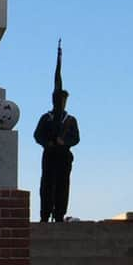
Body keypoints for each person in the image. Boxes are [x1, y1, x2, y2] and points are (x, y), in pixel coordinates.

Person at [34, 90, 80, 222]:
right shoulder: (46, 118)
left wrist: (65, 143)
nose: (62, 103)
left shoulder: (70, 120)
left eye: (64, 101)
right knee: (47, 184)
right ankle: (45, 213)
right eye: (59, 100)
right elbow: (38, 135)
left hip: (64, 155)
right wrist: (47, 143)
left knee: (63, 184)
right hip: (49, 154)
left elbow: (76, 138)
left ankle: (59, 213)